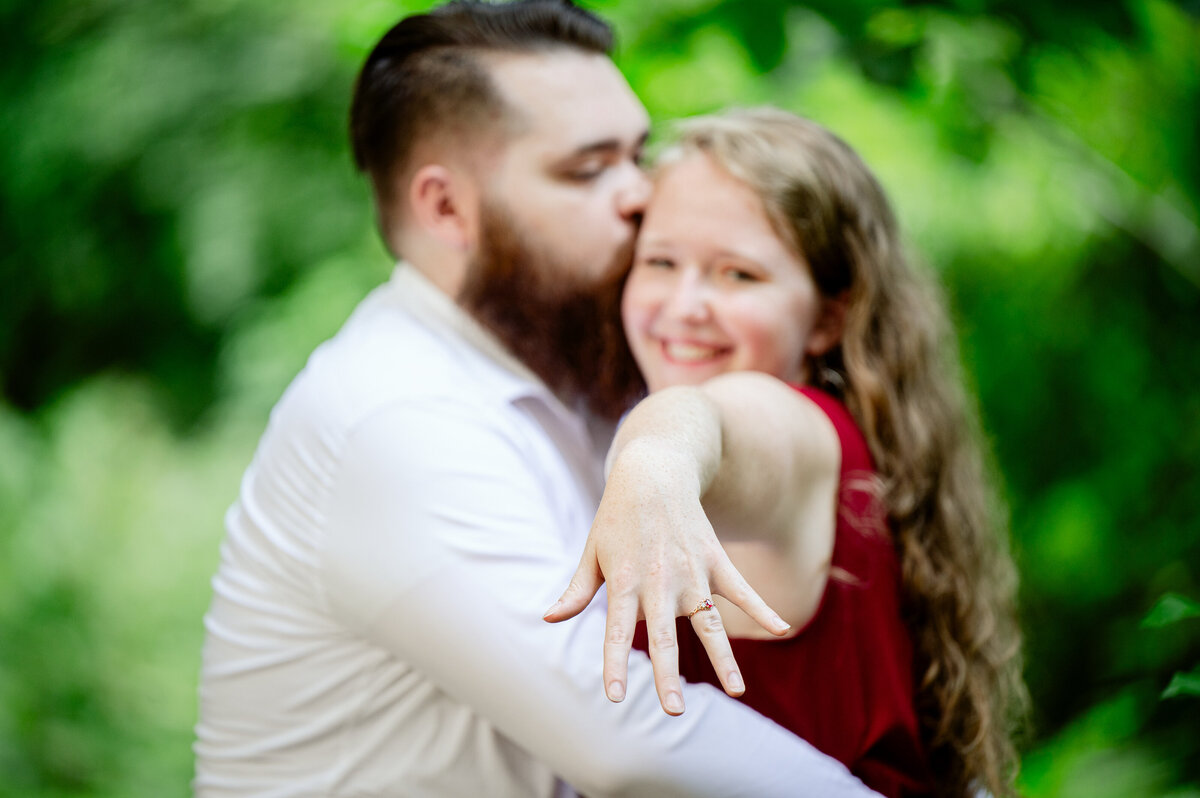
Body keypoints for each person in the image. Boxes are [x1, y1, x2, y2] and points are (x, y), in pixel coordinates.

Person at [193, 3, 883, 796]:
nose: (639, 193)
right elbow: (628, 737)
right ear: (447, 208)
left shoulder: (582, 356)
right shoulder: (393, 416)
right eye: (589, 169)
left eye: (636, 154)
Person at [546, 109, 1027, 797]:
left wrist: (655, 459)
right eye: (660, 262)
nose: (684, 305)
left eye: (738, 275)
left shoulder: (798, 435)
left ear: (829, 318)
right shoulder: (856, 453)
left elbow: (712, 420)